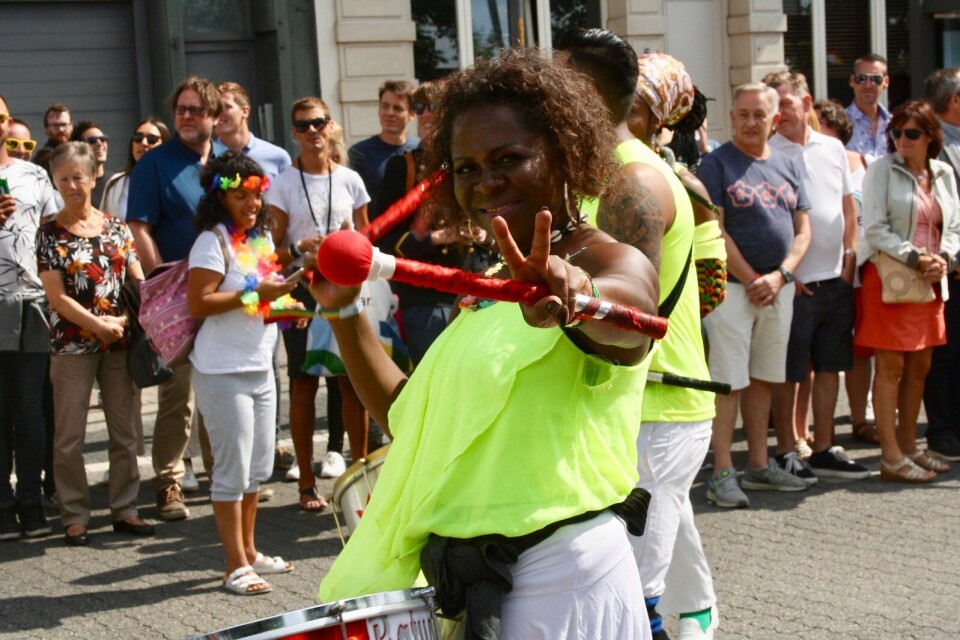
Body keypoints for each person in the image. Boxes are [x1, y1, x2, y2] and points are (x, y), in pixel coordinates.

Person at [317, 47, 660, 639]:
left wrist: (578, 298)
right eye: (466, 168)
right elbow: (409, 414)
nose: (486, 181)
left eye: (510, 158)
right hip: (469, 586)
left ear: (564, 151)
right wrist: (343, 312)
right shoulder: (490, 289)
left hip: (561, 583)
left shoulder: (606, 259)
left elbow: (629, 316)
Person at [559, 35, 720, 640]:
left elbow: (692, 296)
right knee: (663, 548)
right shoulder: (594, 173)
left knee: (631, 585)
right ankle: (697, 622)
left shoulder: (640, 182)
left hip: (660, 400)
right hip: (624, 398)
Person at [186, 150, 297, 595]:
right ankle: (233, 566)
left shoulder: (260, 241)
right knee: (231, 472)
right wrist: (256, 292)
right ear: (221, 198)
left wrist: (289, 305)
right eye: (242, 196)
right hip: (221, 370)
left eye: (258, 194)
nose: (253, 203)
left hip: (260, 367)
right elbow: (200, 303)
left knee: (257, 470)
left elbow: (263, 299)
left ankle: (250, 553)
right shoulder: (211, 242)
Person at [699, 83, 812, 506]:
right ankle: (722, 470)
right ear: (732, 118)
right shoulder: (716, 164)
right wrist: (751, 279)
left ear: (774, 119)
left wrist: (781, 276)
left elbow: (804, 230)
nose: (750, 122)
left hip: (777, 289)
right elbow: (714, 229)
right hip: (733, 291)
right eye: (743, 114)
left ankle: (760, 466)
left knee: (764, 377)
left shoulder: (788, 163)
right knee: (728, 382)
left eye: (759, 115)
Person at [36, 142, 154, 546]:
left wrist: (120, 321)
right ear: (55, 181)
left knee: (125, 431)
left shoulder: (117, 228)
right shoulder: (49, 232)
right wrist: (96, 325)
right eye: (63, 178)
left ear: (93, 177)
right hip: (71, 346)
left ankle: (125, 509)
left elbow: (136, 283)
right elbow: (56, 296)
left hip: (119, 342)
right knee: (69, 435)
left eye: (78, 177)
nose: (72, 185)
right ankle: (75, 514)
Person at [763, 71, 868, 484]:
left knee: (830, 367)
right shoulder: (769, 153)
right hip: (796, 284)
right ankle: (788, 449)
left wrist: (849, 258)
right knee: (790, 371)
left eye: (784, 103)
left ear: (806, 105)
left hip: (835, 279)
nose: (777, 113)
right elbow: (770, 223)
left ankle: (824, 447)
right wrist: (788, 275)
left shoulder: (833, 147)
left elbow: (847, 207)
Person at [127, 76, 224, 520]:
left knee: (220, 386)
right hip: (180, 298)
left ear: (215, 116)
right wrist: (160, 284)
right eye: (181, 109)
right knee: (178, 395)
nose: (186, 117)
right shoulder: (156, 163)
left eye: (195, 110)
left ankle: (220, 477)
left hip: (227, 293)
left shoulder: (227, 161)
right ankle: (168, 482)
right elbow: (139, 228)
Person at [265, 97, 370, 510]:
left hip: (344, 289)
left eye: (318, 123)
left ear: (330, 126)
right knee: (304, 384)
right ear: (294, 132)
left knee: (351, 383)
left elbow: (368, 238)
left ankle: (359, 477)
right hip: (300, 291)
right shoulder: (283, 184)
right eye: (303, 125)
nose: (312, 131)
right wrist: (299, 247)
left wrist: (348, 243)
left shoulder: (350, 180)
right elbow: (271, 251)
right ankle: (307, 482)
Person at [857, 99, 960, 483]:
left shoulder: (944, 172)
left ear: (930, 136)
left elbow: (954, 224)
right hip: (890, 282)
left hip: (931, 282)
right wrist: (916, 257)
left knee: (921, 368)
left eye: (912, 133)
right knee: (891, 369)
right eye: (896, 133)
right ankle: (890, 456)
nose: (902, 139)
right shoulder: (882, 169)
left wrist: (944, 258)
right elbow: (875, 228)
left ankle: (910, 446)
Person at [369, 80, 494, 364]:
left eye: (434, 107)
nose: (425, 114)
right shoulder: (404, 166)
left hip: (478, 288)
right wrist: (443, 236)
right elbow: (387, 242)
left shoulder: (475, 160)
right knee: (435, 380)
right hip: (427, 298)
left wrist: (483, 234)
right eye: (419, 108)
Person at [0, 96, 59, 540]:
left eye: (1, 117)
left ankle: (32, 501)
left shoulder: (33, 175)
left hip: (29, 303)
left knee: (30, 408)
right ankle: (2, 502)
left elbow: (57, 232)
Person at [813, 99, 878, 446]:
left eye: (822, 123)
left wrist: (852, 258)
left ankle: (860, 418)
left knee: (860, 349)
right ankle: (801, 429)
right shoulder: (804, 158)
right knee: (818, 356)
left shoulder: (863, 163)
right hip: (822, 272)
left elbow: (860, 215)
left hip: (860, 270)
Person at [922, 67, 960, 462]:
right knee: (945, 354)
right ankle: (942, 432)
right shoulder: (936, 146)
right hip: (949, 268)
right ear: (955, 101)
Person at [347, 80, 419, 200]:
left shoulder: (420, 149)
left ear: (411, 114)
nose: (390, 113)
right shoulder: (359, 153)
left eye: (398, 108)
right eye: (385, 106)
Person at [100, 118, 170, 220]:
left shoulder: (173, 183)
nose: (144, 143)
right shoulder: (115, 183)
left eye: (152, 139)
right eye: (138, 137)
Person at [846, 54, 892, 164]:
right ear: (852, 81)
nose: (868, 85)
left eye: (875, 79)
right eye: (861, 79)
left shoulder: (895, 125)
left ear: (886, 82)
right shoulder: (838, 124)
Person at [70, 121, 109, 206]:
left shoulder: (115, 181)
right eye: (92, 141)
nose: (99, 144)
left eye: (103, 139)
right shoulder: (72, 185)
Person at [32, 102, 73, 176]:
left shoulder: (80, 149)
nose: (60, 129)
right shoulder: (44, 158)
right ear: (47, 129)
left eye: (64, 124)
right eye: (55, 125)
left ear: (71, 126)